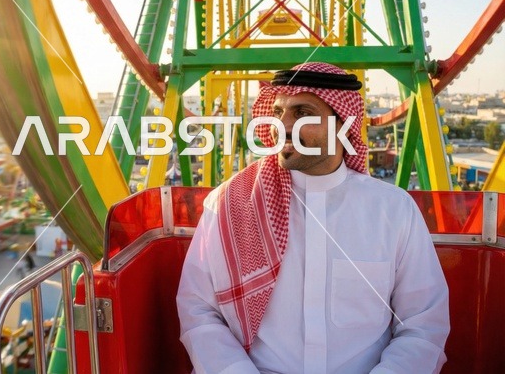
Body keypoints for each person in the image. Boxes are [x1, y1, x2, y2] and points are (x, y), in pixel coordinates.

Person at [176, 62, 450, 373]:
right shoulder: (227, 203)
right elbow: (199, 310)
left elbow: (423, 322)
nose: (283, 125)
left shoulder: (393, 210)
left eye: (302, 113)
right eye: (278, 112)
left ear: (343, 124)